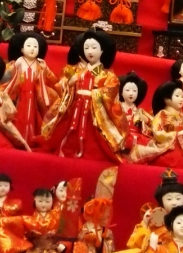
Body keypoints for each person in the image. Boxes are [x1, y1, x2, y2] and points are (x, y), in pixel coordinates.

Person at [40, 30, 127, 161]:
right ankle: (71, 149)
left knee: (92, 136)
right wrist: (70, 83)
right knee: (71, 131)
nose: (90, 51)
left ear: (102, 50)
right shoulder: (77, 72)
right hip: (76, 106)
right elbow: (61, 86)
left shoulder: (108, 75)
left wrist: (93, 94)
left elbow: (111, 91)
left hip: (94, 112)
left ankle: (90, 151)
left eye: (94, 48)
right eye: (86, 48)